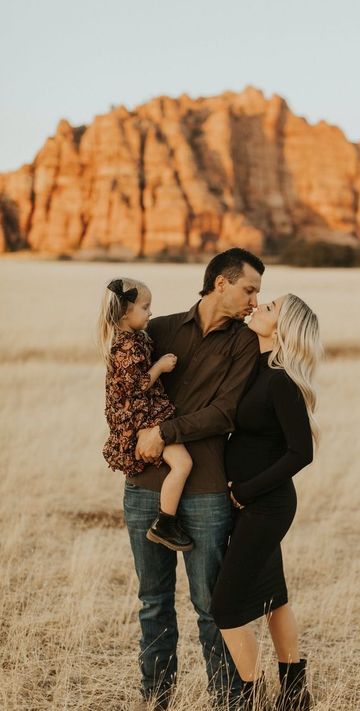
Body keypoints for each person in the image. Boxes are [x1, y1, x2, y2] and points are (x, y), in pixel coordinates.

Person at [124, 249, 264, 710]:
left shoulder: (242, 344)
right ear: (220, 283)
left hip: (205, 487)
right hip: (145, 483)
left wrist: (163, 431)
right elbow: (125, 385)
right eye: (249, 289)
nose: (254, 299)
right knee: (153, 602)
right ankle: (156, 699)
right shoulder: (159, 327)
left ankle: (227, 700)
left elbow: (224, 412)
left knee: (211, 606)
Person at [211, 293, 322, 711]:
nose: (259, 307)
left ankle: (251, 697)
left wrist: (244, 490)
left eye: (270, 307)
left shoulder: (280, 380)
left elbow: (301, 453)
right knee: (273, 594)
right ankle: (295, 694)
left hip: (266, 506)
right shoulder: (257, 367)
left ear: (282, 327)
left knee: (224, 606)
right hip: (253, 502)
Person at [98, 277, 194, 551]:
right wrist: (161, 366)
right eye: (146, 307)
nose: (151, 312)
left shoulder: (133, 338)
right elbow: (137, 385)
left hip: (145, 414)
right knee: (183, 464)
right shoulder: (127, 346)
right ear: (126, 312)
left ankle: (166, 518)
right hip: (142, 417)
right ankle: (166, 522)